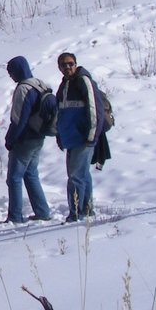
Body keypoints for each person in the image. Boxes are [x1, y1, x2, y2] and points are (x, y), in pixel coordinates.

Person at [3, 56, 54, 223]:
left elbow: (18, 119)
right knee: (31, 174)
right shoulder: (40, 83)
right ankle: (42, 211)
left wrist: (10, 140)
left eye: (11, 72)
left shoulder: (23, 89)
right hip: (39, 136)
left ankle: (15, 216)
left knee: (14, 178)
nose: (11, 76)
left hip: (25, 139)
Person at [55, 52, 101, 222]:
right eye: (63, 65)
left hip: (83, 137)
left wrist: (91, 135)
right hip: (70, 137)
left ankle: (75, 214)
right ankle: (87, 210)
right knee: (82, 175)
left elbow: (93, 108)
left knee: (75, 176)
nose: (67, 67)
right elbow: (60, 112)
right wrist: (60, 135)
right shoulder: (64, 85)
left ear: (76, 64)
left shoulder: (83, 80)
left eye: (70, 63)